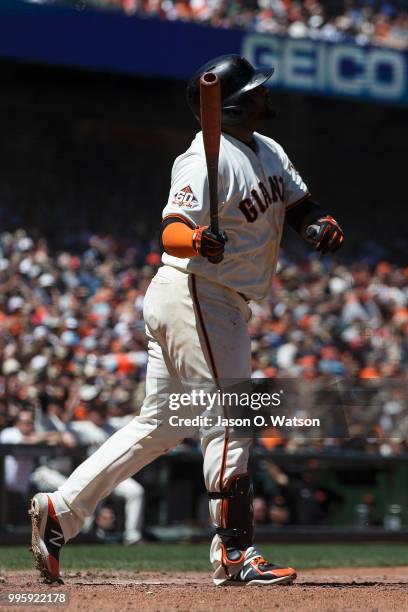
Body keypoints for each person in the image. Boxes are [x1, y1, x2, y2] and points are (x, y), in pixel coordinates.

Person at [29, 54, 344, 586]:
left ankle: (61, 510)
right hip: (197, 291)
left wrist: (319, 225)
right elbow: (172, 229)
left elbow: (299, 206)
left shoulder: (269, 150)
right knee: (233, 415)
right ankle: (234, 553)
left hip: (212, 298)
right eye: (258, 90)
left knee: (164, 422)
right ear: (237, 104)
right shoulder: (201, 160)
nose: (268, 95)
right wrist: (198, 238)